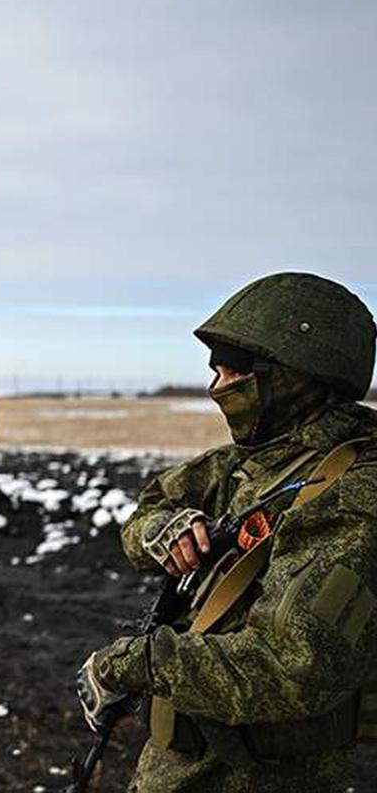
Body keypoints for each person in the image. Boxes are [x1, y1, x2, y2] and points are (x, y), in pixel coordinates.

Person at [76, 272, 377, 791]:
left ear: (292, 376)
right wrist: (166, 530)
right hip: (193, 762)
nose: (217, 388)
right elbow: (149, 510)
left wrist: (137, 663)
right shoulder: (254, 464)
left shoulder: (350, 494)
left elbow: (293, 667)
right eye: (214, 372)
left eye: (233, 372)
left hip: (260, 774)